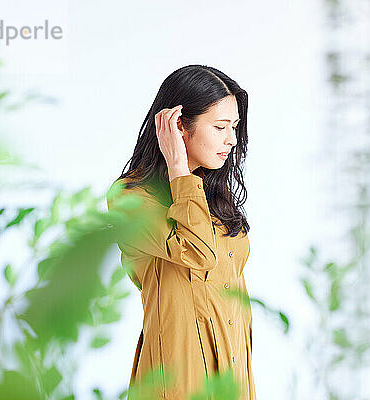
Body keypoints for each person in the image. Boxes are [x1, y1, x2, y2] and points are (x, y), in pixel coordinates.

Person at [106, 65, 255, 400]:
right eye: (219, 127)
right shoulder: (132, 199)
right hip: (178, 383)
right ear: (177, 127)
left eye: (233, 127)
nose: (231, 139)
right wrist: (178, 168)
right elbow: (197, 251)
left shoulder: (212, 194)